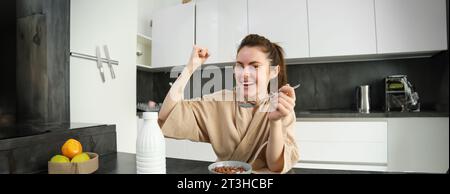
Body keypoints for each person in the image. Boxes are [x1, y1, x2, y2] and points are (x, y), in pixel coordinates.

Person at [158, 34, 299, 173]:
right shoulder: (219, 101)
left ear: (274, 71)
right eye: (240, 66)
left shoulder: (281, 109)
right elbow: (166, 116)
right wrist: (190, 68)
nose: (244, 73)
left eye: (254, 66)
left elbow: (275, 166)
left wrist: (275, 122)